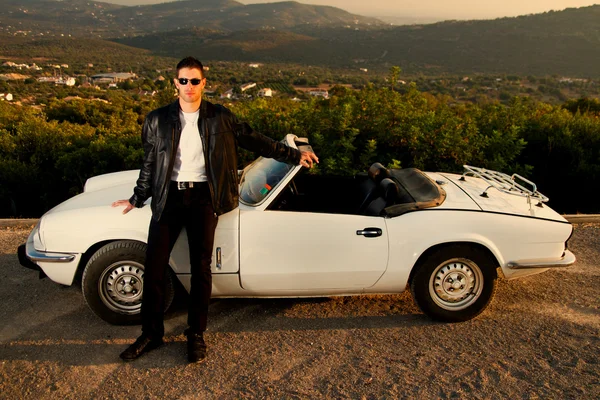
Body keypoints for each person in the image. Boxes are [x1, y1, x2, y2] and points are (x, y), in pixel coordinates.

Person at [113, 56, 318, 363]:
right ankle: (151, 334)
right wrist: (136, 197)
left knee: (201, 270)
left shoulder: (220, 117)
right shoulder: (157, 119)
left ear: (203, 84)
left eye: (195, 81)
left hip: (204, 199)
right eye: (183, 80)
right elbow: (150, 164)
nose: (189, 86)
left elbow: (256, 140)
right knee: (154, 269)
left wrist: (293, 155)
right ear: (175, 84)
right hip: (168, 199)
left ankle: (195, 334)